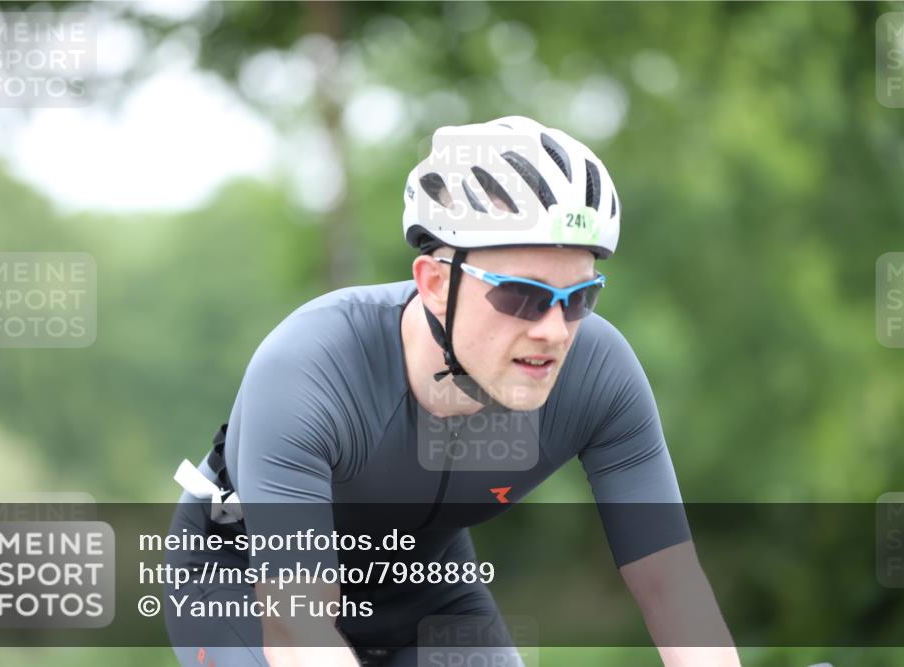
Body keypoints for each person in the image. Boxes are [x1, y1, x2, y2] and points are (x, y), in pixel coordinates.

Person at [166, 116, 741, 667]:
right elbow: (299, 624)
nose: (553, 328)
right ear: (436, 284)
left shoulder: (600, 374)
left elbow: (670, 583)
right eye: (521, 294)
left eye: (581, 297)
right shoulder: (309, 368)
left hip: (428, 589)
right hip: (242, 585)